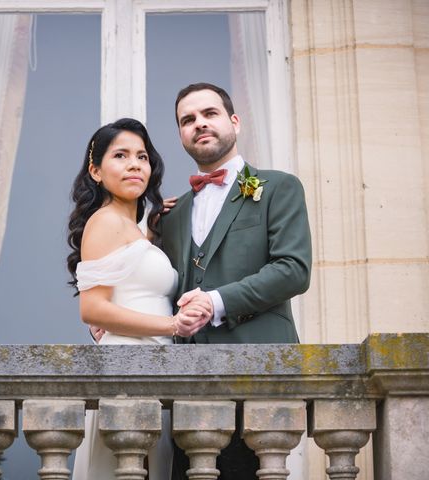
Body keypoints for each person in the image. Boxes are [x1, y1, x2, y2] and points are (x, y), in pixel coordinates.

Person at [160, 83, 312, 480]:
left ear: (234, 121)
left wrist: (215, 301)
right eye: (187, 120)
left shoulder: (279, 187)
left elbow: (293, 268)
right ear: (180, 135)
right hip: (186, 385)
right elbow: (164, 290)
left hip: (259, 369)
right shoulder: (172, 216)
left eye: (209, 113)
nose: (199, 124)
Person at [66, 118, 211, 480]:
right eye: (120, 155)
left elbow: (132, 281)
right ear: (96, 171)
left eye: (142, 156)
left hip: (153, 363)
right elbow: (92, 308)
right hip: (127, 365)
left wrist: (150, 231)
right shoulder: (104, 222)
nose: (134, 164)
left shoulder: (133, 228)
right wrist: (173, 325)